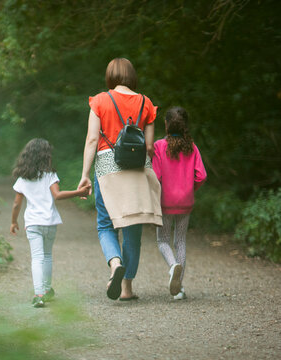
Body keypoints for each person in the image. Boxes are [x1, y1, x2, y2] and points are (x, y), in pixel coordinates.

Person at [78, 58, 163, 301]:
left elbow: (92, 140)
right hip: (136, 169)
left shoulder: (100, 100)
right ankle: (127, 289)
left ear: (110, 75)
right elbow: (148, 146)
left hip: (107, 166)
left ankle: (115, 264)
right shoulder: (146, 102)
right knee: (133, 227)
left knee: (106, 224)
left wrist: (85, 175)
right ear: (132, 75)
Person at [10, 138, 91, 307]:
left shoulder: (22, 179)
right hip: (49, 222)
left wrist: (13, 222)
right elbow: (58, 196)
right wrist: (78, 192)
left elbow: (17, 204)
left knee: (37, 258)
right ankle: (46, 290)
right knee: (47, 256)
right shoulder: (50, 175)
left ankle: (38, 294)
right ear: (46, 156)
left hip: (33, 223)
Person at [152, 106, 207, 300]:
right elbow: (201, 175)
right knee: (181, 241)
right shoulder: (192, 147)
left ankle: (173, 266)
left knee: (162, 240)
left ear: (166, 124)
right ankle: (180, 288)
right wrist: (189, 189)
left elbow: (156, 175)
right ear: (185, 126)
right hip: (186, 202)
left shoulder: (159, 146)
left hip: (165, 202)